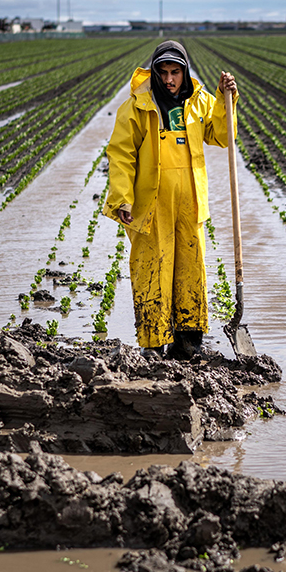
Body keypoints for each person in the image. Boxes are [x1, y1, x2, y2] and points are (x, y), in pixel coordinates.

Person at [103, 40, 238, 360]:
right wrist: (121, 199)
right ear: (154, 73)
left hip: (189, 202)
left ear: (185, 72)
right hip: (150, 205)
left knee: (191, 268)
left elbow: (221, 135)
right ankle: (152, 343)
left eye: (175, 72)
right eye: (162, 72)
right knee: (152, 269)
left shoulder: (199, 101)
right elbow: (121, 156)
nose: (168, 79)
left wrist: (226, 99)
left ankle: (188, 341)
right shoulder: (136, 107)